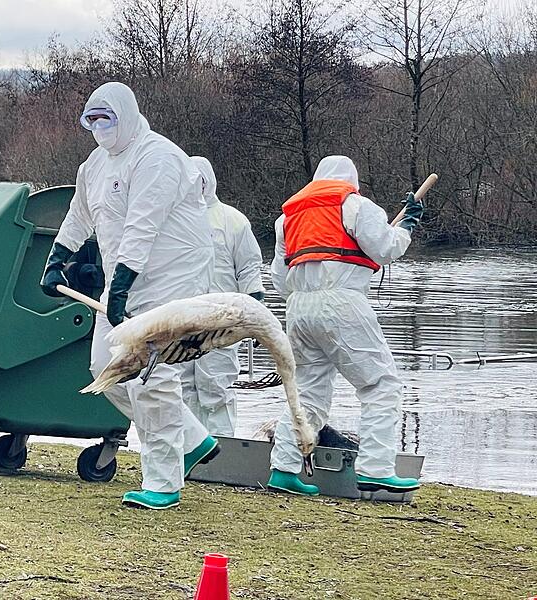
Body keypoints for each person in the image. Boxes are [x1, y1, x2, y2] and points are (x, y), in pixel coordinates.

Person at [41, 82, 218, 510]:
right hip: (123, 277)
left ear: (127, 114)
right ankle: (190, 439)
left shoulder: (157, 157)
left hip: (170, 277)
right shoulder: (94, 165)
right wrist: (57, 257)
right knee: (105, 367)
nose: (100, 128)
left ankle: (163, 483)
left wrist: (121, 285)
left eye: (107, 119)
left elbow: (143, 225)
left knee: (152, 373)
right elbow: (80, 213)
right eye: (92, 121)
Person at [268, 155, 423, 496]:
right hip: (341, 302)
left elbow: (279, 279)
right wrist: (407, 225)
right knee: (380, 385)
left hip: (298, 308)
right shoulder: (355, 205)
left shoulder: (288, 218)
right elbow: (385, 248)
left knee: (306, 392)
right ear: (352, 181)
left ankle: (283, 469)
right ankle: (376, 470)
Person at [178, 156, 265, 437]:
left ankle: (221, 448)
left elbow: (249, 267)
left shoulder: (232, 220)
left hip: (221, 318)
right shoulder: (173, 221)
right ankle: (190, 448)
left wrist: (255, 313)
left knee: (216, 385)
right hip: (181, 318)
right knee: (181, 385)